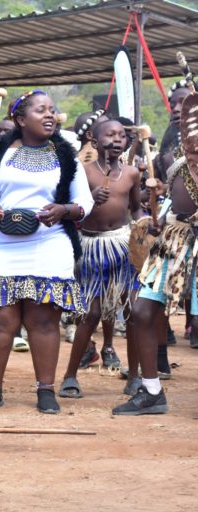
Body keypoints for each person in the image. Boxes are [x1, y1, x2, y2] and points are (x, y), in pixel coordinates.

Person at [0, 90, 94, 414]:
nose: (50, 115)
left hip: (48, 242)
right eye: (41, 110)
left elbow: (85, 203)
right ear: (21, 119)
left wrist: (63, 210)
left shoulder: (66, 155)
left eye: (53, 110)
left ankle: (46, 391)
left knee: (43, 318)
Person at [112, 83, 198, 415]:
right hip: (173, 241)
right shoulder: (180, 158)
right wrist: (158, 210)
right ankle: (151, 390)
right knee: (143, 310)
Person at [58, 120, 143, 399]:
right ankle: (70, 375)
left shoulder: (131, 173)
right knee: (91, 313)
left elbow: (136, 210)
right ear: (94, 141)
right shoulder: (82, 173)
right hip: (92, 248)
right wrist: (91, 198)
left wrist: (148, 223)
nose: (117, 140)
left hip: (122, 246)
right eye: (110, 134)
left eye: (121, 135)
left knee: (132, 311)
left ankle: (135, 375)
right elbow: (71, 209)